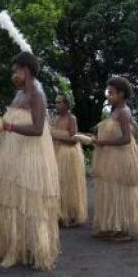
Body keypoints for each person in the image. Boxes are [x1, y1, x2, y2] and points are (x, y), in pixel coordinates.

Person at [0, 52, 60, 271]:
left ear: (26, 70)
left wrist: (8, 127)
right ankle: (21, 247)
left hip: (31, 157)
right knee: (17, 201)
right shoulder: (20, 94)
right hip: (16, 156)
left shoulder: (36, 94)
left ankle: (38, 250)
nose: (13, 75)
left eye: (16, 70)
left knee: (31, 202)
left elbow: (38, 129)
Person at [92, 77, 138, 241]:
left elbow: (126, 139)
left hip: (121, 156)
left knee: (121, 192)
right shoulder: (115, 111)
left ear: (121, 94)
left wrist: (103, 142)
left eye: (111, 93)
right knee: (111, 191)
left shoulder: (124, 111)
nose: (108, 96)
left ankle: (124, 230)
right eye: (108, 92)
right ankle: (111, 226)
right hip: (112, 156)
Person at [51, 94, 88, 227]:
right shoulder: (54, 119)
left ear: (66, 104)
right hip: (55, 153)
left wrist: (56, 135)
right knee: (57, 184)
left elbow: (73, 139)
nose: (57, 105)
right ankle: (58, 214)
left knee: (68, 185)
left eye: (59, 102)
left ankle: (70, 214)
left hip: (68, 155)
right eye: (55, 102)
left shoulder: (72, 118)